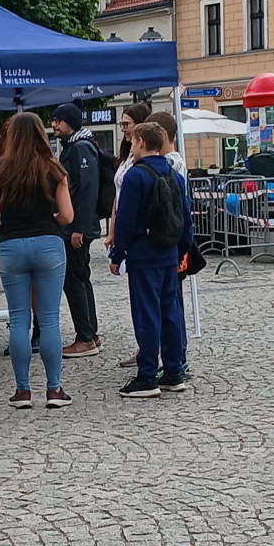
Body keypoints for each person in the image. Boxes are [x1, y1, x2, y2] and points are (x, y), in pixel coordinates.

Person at [0, 112, 74, 409]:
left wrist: (4, 214)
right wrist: (48, 220)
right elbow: (67, 216)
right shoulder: (54, 169)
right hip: (48, 244)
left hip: (11, 246)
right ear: (40, 134)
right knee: (48, 319)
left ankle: (22, 392)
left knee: (19, 319)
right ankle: (54, 389)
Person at [108, 121, 193, 398]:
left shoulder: (135, 176)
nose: (131, 146)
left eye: (133, 141)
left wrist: (117, 254)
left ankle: (147, 376)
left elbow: (126, 220)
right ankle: (173, 371)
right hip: (169, 253)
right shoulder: (174, 173)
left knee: (146, 314)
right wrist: (182, 249)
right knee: (170, 313)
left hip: (144, 254)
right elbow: (185, 216)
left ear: (142, 142)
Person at [51, 103, 101, 358]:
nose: (54, 124)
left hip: (77, 228)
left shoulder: (80, 147)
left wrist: (78, 228)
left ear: (70, 122)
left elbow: (87, 190)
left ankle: (85, 338)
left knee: (74, 281)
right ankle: (90, 333)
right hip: (75, 226)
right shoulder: (73, 146)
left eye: (58, 120)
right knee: (81, 278)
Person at [105, 103, 152, 369]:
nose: (123, 129)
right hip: (125, 228)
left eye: (127, 124)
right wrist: (113, 229)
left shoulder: (143, 159)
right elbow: (118, 197)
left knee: (146, 297)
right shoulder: (126, 157)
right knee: (136, 297)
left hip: (140, 235)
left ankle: (151, 350)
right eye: (122, 124)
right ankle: (144, 346)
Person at [146, 111, 191, 376]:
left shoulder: (171, 164)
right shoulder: (174, 162)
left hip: (169, 238)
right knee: (173, 300)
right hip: (175, 237)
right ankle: (175, 354)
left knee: (173, 302)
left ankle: (176, 355)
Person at [0, 117, 40, 354]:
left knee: (25, 294)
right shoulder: (44, 164)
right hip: (33, 233)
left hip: (11, 234)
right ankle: (32, 334)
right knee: (28, 294)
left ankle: (30, 334)